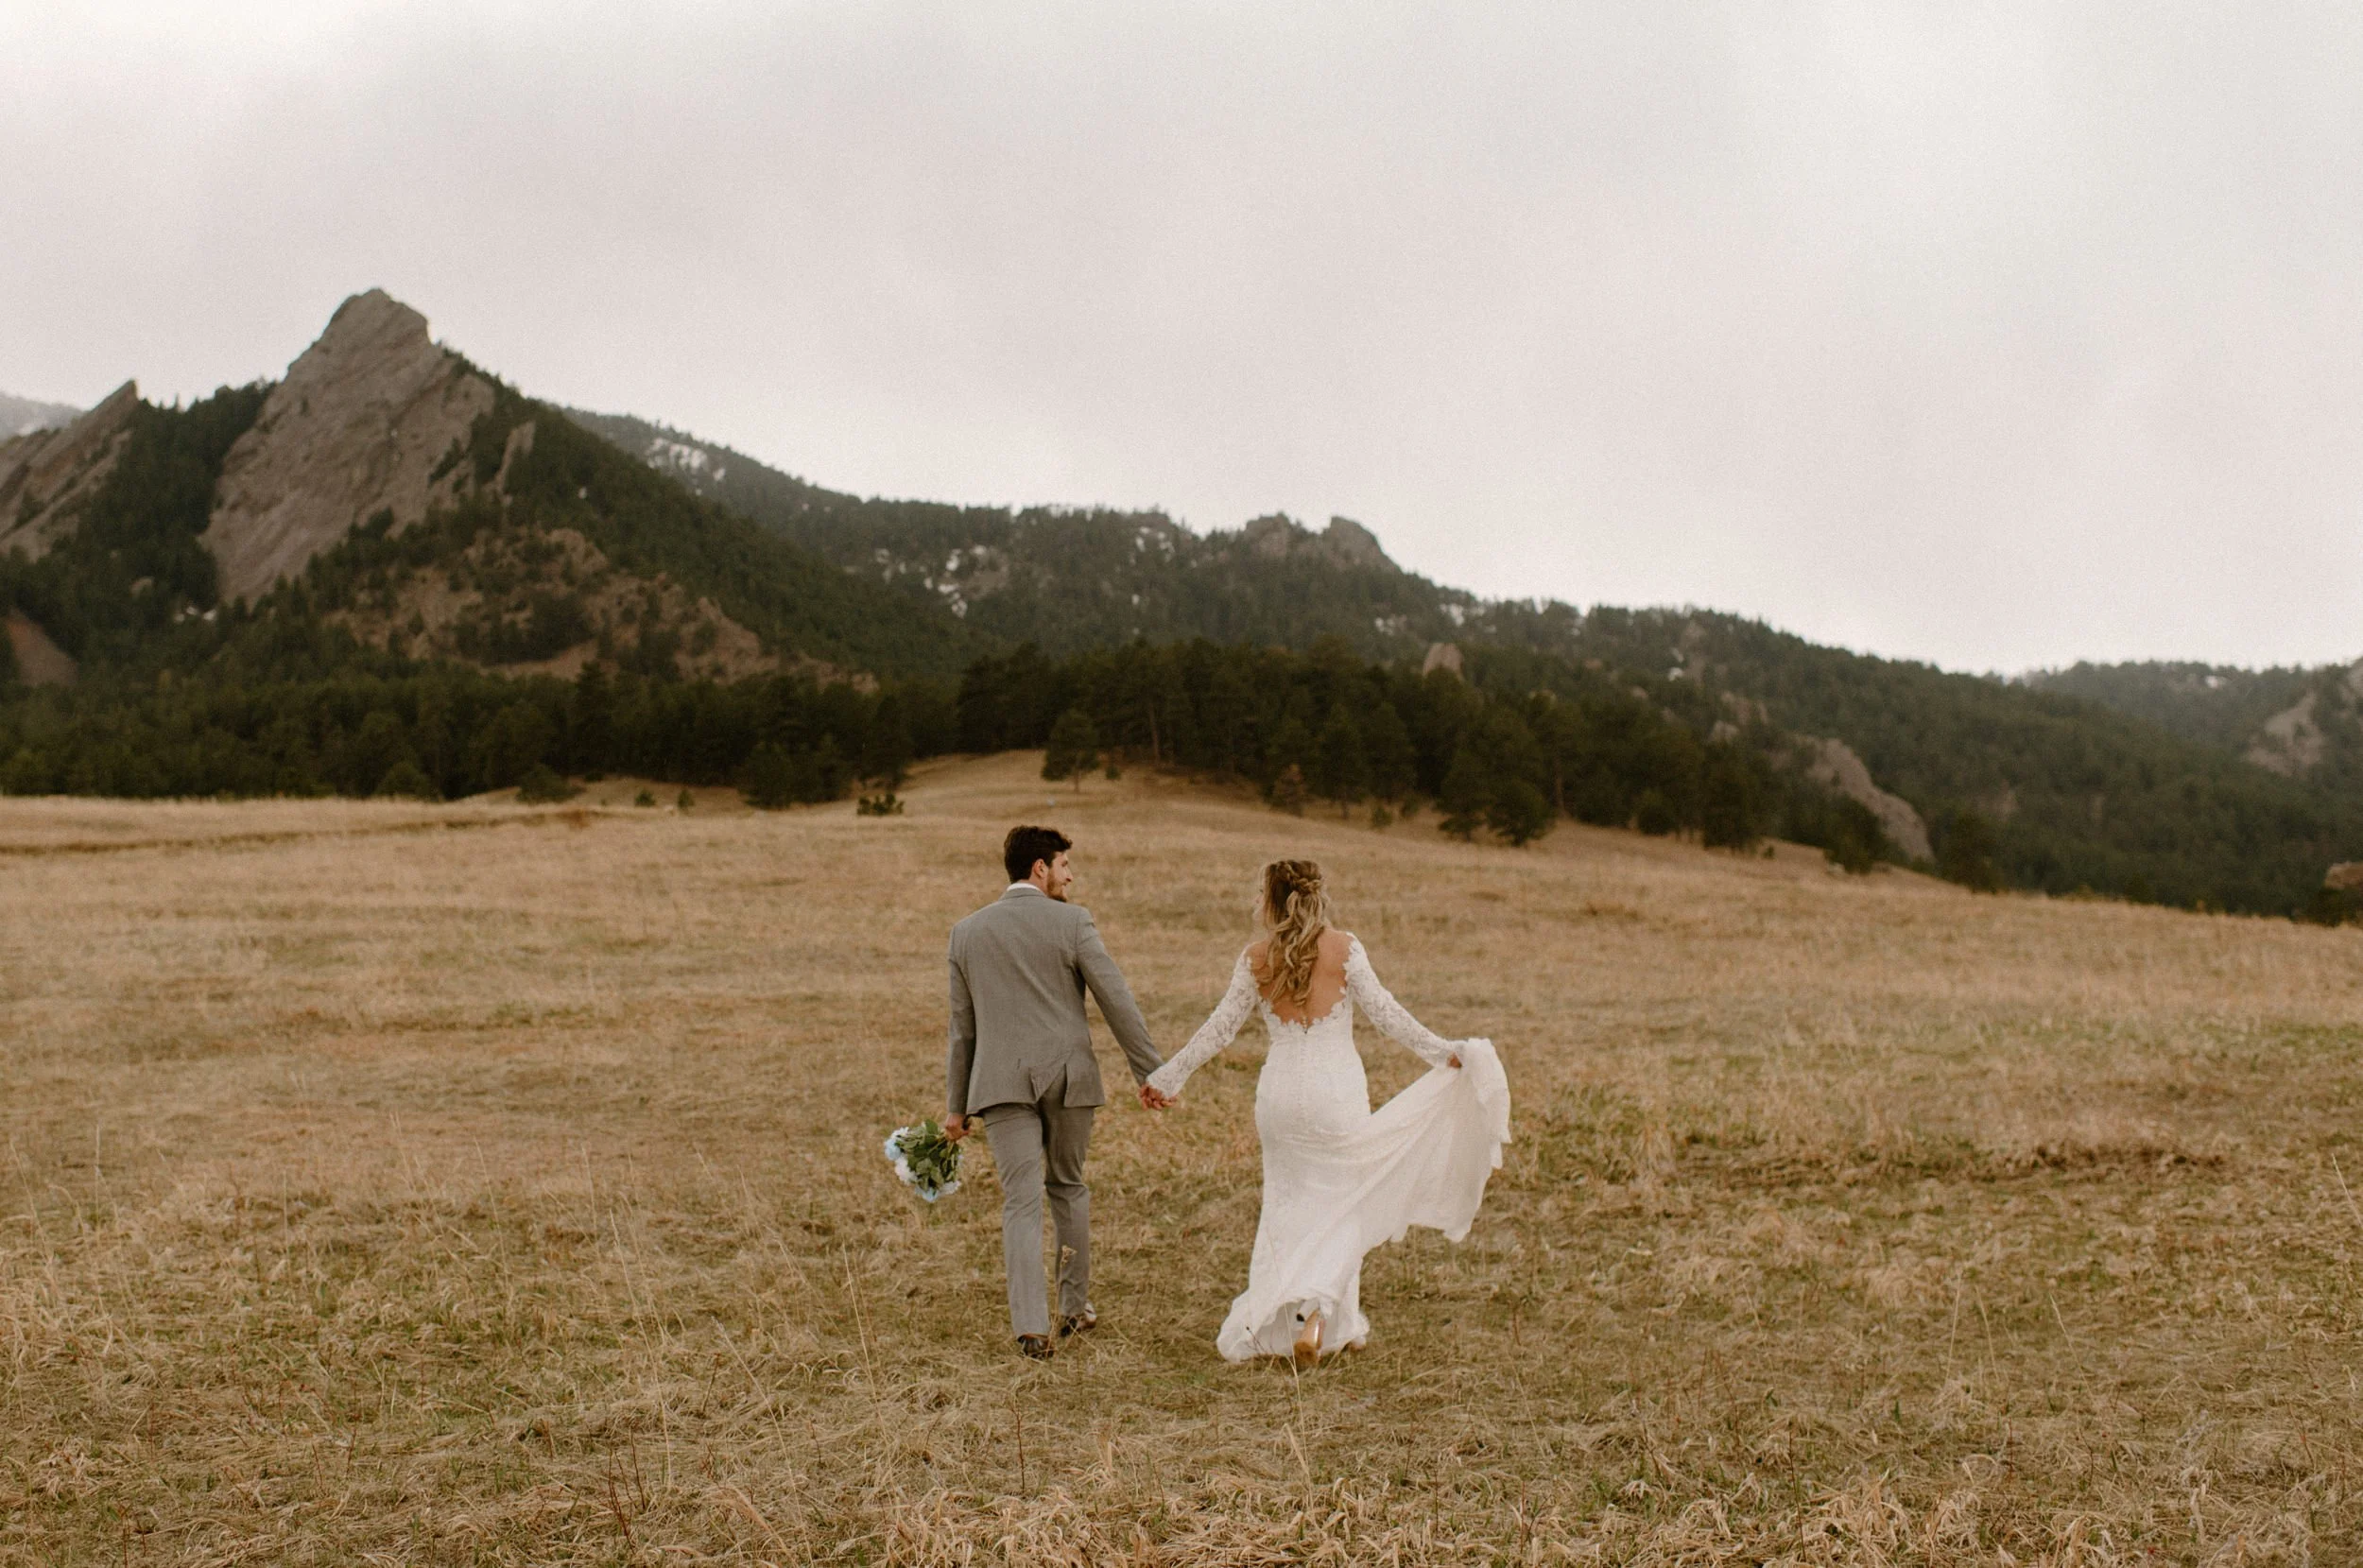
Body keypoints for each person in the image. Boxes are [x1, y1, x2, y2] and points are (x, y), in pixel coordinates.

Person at [1146, 858, 1509, 1364]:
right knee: (1345, 1202)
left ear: (1273, 900)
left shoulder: (1256, 957)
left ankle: (1286, 1318)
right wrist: (1443, 1051)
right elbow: (1386, 1015)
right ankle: (1317, 1319)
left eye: (1259, 893)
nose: (1255, 902)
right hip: (1335, 1093)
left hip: (1280, 1098)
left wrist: (1168, 1077)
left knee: (1286, 1203)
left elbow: (1218, 1029)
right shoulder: (1343, 948)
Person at [944, 825, 1169, 1360]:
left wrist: (956, 1105)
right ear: (1040, 868)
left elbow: (962, 1028)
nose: (1071, 876)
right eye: (1065, 865)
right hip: (1069, 1078)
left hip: (998, 1084)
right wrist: (1151, 1072)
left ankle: (1029, 1326)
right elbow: (1117, 999)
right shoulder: (1072, 922)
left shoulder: (966, 933)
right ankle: (1074, 1309)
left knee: (1020, 1201)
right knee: (1066, 1186)